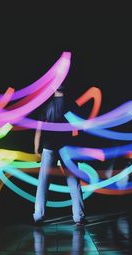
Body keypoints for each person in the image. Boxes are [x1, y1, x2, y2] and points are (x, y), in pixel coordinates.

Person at [33, 85, 86, 226]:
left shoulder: (46, 105)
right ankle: (78, 217)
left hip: (48, 147)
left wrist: (36, 149)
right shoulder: (71, 104)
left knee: (43, 182)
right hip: (67, 147)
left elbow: (38, 129)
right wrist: (78, 147)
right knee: (73, 181)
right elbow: (80, 128)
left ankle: (38, 215)